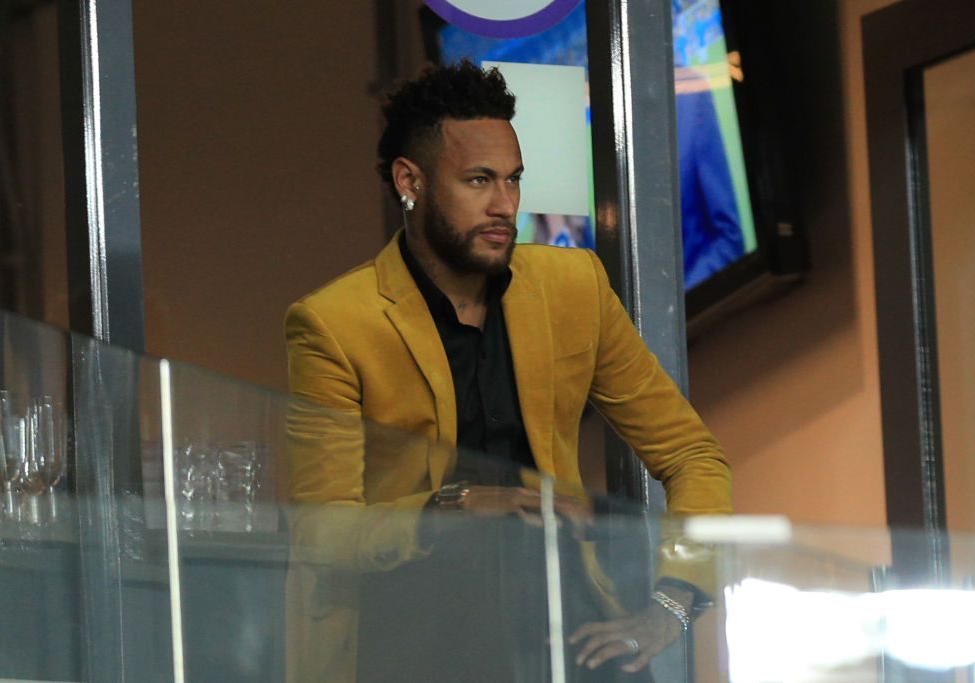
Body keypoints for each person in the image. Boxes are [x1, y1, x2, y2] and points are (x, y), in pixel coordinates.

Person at [284, 61, 732, 681]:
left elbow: (692, 457)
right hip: (419, 645)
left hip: (572, 636)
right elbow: (321, 533)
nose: (505, 205)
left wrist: (671, 603)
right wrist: (451, 506)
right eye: (478, 180)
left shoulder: (574, 287)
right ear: (409, 181)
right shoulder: (334, 323)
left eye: (514, 180)